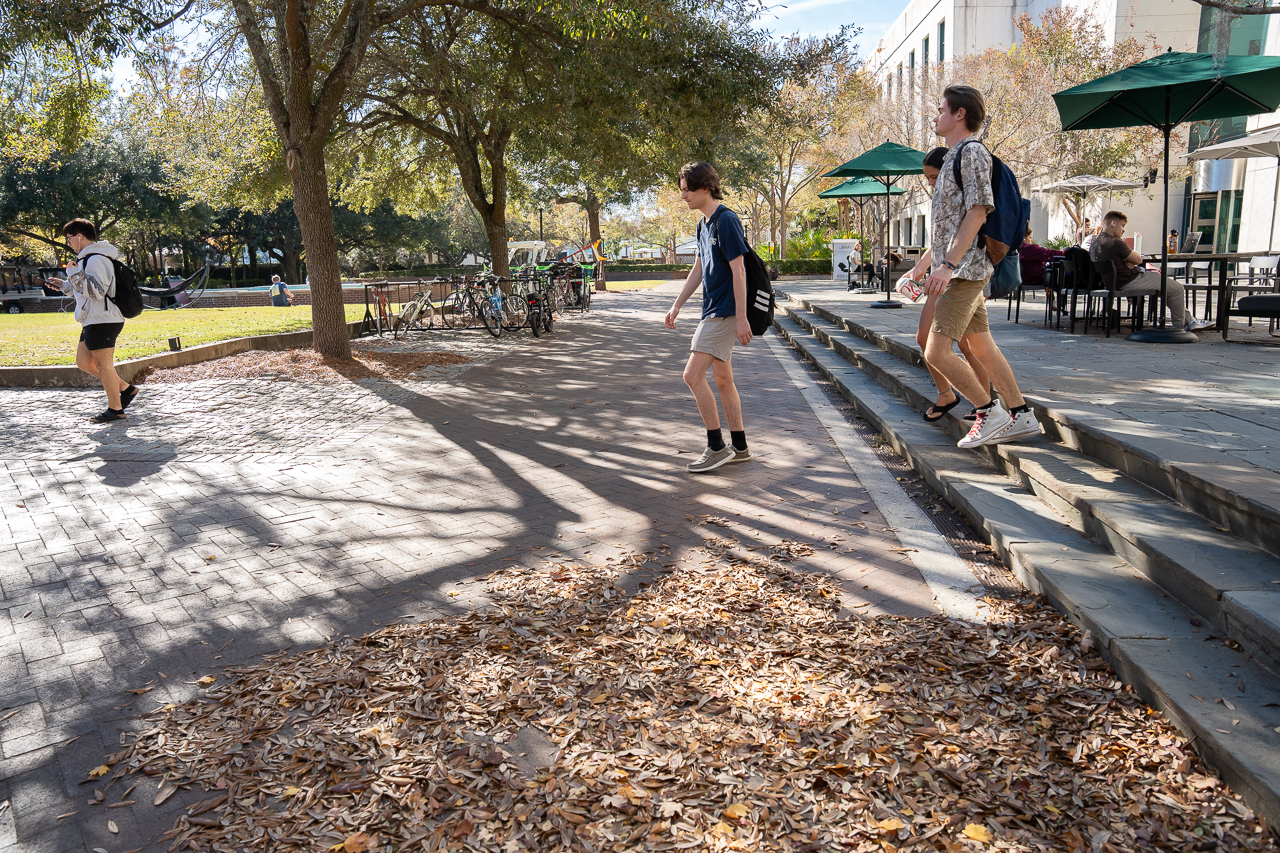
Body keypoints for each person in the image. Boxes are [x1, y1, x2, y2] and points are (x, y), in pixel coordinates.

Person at [922, 85, 1039, 448]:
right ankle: (1021, 415)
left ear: (960, 114)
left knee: (935, 351)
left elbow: (978, 210)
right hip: (965, 268)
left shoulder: (971, 152)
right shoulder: (956, 155)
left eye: (942, 109)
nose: (936, 115)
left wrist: (946, 265)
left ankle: (989, 414)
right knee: (983, 346)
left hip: (964, 270)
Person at [664, 161, 753, 473]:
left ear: (705, 188)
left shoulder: (726, 220)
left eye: (687, 190)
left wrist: (742, 318)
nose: (683, 196)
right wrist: (677, 304)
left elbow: (739, 270)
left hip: (725, 312)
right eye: (682, 191)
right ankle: (739, 447)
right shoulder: (703, 225)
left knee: (692, 375)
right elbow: (700, 268)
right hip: (712, 309)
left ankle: (716, 446)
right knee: (724, 379)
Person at [904, 147, 992, 423]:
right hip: (945, 275)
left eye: (933, 176)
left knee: (967, 343)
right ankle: (951, 395)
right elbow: (941, 242)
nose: (931, 183)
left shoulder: (964, 192)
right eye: (928, 179)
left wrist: (942, 268)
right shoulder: (944, 199)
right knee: (929, 338)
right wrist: (918, 269)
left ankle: (986, 405)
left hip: (965, 273)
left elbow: (970, 231)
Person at [46, 219, 138, 423]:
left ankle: (116, 409)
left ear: (80, 237)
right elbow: (85, 291)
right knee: (83, 362)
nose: (68, 243)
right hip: (92, 318)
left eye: (69, 239)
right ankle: (125, 389)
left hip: (103, 319)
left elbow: (96, 292)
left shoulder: (97, 258)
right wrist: (64, 285)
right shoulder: (87, 259)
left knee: (104, 365)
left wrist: (72, 273)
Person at [1090, 210, 1213, 333]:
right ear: (1113, 223)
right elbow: (1138, 259)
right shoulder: (1116, 242)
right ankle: (1178, 329)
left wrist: (1126, 260)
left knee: (1167, 289)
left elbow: (1125, 261)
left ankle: (1190, 321)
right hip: (1131, 281)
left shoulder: (1095, 243)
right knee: (1177, 289)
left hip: (1114, 283)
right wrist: (1130, 260)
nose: (1123, 230)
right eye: (1122, 225)